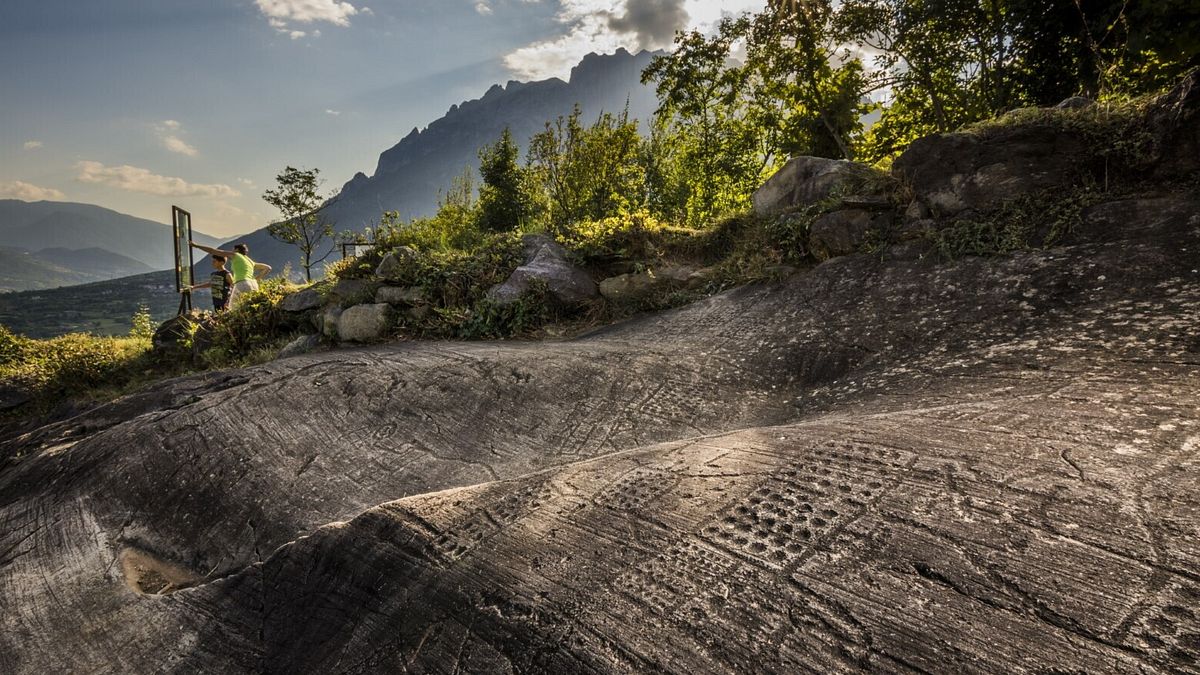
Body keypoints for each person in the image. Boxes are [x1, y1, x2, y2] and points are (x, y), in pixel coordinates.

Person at [190, 241, 271, 308]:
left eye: (233, 250)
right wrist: (255, 280)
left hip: (242, 283)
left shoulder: (235, 255)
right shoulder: (250, 261)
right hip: (254, 285)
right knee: (250, 309)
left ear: (236, 250)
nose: (231, 251)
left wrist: (196, 246)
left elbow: (213, 251)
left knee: (232, 310)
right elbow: (268, 268)